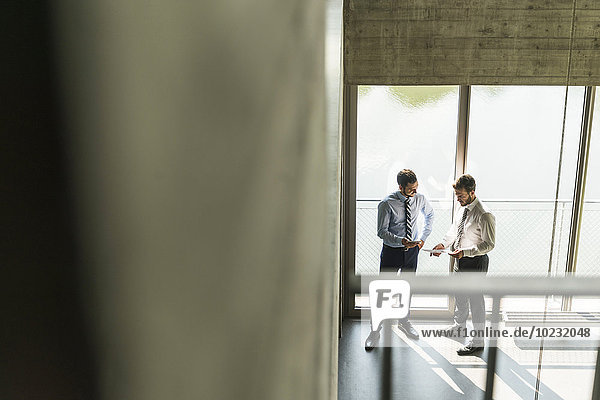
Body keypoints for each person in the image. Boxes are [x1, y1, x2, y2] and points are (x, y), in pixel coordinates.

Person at [365, 169, 434, 350]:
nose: (415, 191)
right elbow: (382, 232)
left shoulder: (420, 199)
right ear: (400, 187)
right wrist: (400, 240)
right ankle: (375, 330)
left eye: (416, 187)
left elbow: (430, 216)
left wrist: (422, 239)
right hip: (392, 251)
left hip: (412, 252)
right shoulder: (387, 204)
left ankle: (404, 321)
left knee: (408, 287)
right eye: (411, 189)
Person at [431, 174, 495, 355]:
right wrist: (443, 244)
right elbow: (454, 230)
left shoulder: (484, 214)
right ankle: (459, 327)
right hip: (459, 259)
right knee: (459, 294)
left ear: (472, 192)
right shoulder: (463, 208)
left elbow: (489, 244)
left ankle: (478, 341)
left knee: (476, 301)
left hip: (475, 261)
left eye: (461, 195)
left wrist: (465, 252)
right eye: (456, 195)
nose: (458, 199)